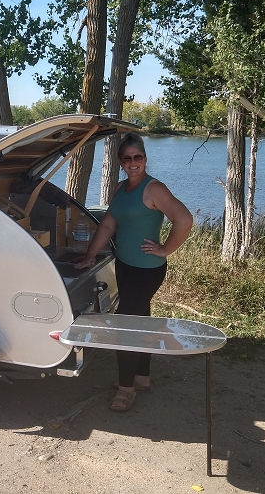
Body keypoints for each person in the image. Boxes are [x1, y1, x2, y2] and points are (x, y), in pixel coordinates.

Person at [75, 132, 193, 412]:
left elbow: (184, 219)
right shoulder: (120, 188)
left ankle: (126, 388)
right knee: (141, 321)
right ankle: (141, 377)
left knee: (125, 325)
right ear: (120, 162)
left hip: (146, 270)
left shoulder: (154, 189)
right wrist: (91, 254)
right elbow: (108, 224)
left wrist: (165, 249)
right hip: (125, 265)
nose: (132, 162)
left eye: (137, 157)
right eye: (126, 158)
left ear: (145, 159)